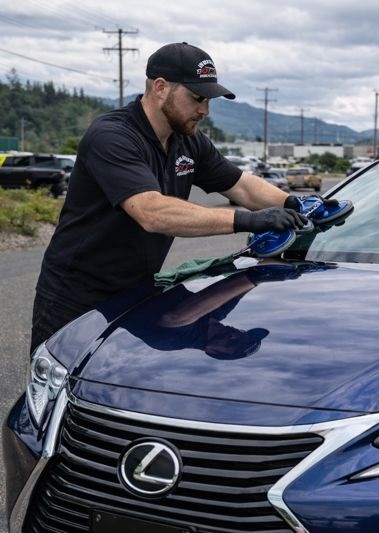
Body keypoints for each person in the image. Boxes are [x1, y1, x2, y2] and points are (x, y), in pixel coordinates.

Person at [30, 42, 322, 353]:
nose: (205, 111)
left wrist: (292, 204)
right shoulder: (113, 135)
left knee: (115, 381)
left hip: (137, 291)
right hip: (75, 296)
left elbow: (241, 186)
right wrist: (247, 220)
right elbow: (151, 212)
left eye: (208, 100)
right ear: (160, 87)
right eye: (197, 98)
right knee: (54, 387)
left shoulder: (190, 141)